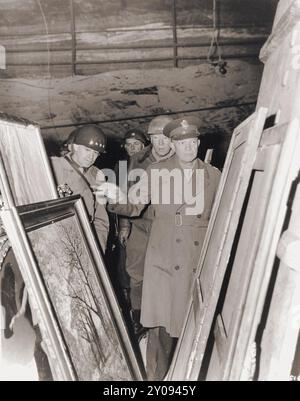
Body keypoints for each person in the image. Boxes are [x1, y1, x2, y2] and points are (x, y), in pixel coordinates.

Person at [104, 116, 221, 379]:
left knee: (195, 326)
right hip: (164, 257)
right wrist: (112, 197)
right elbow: (134, 205)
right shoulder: (155, 171)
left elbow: (220, 216)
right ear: (173, 144)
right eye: (182, 143)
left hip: (197, 259)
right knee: (161, 329)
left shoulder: (214, 175)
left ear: (198, 143)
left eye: (192, 142)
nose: (188, 148)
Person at [116, 116, 175, 340]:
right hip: (140, 224)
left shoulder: (181, 157)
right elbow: (127, 192)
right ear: (149, 139)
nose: (160, 143)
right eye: (155, 138)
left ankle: (165, 317)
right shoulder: (138, 159)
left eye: (165, 138)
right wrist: (124, 225)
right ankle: (139, 317)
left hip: (166, 226)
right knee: (135, 271)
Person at [51, 124, 109, 253]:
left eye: (96, 153)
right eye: (87, 150)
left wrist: (99, 249)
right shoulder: (53, 166)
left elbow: (100, 218)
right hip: (55, 237)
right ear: (75, 147)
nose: (91, 157)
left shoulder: (97, 175)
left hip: (84, 239)